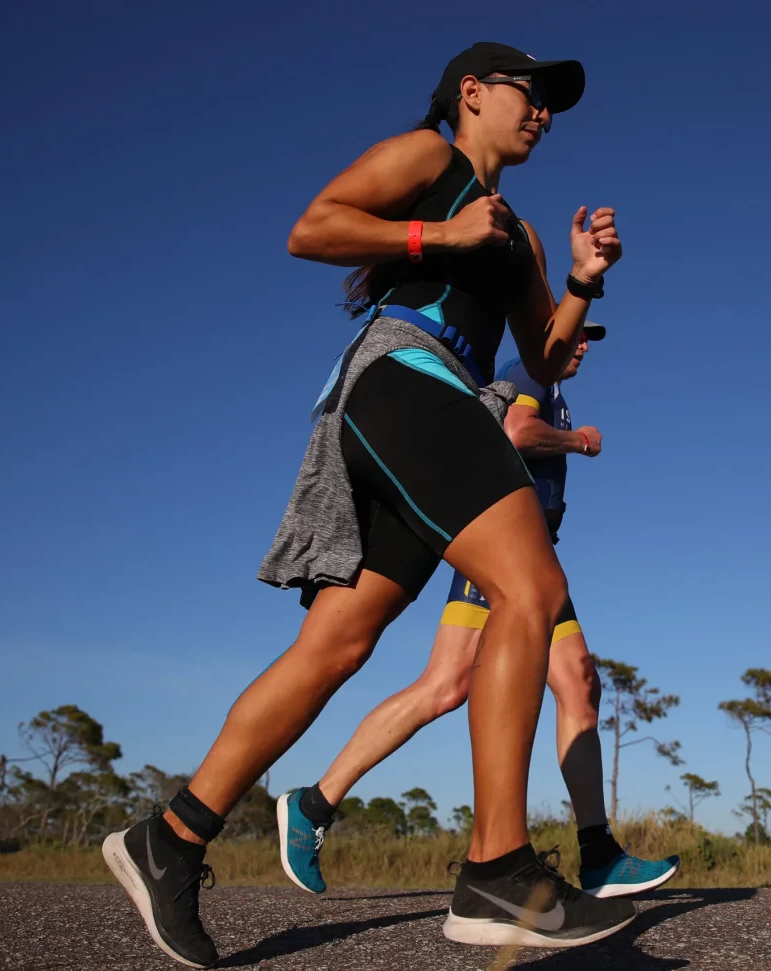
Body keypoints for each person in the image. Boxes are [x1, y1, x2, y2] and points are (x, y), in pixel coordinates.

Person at [102, 42, 635, 966]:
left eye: (554, 102)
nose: (544, 109)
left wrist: (584, 279)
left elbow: (543, 359)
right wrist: (440, 237)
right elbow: (313, 228)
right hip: (401, 377)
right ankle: (497, 869)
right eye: (530, 91)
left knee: (337, 644)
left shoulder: (524, 232)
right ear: (472, 93)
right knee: (531, 591)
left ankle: (172, 838)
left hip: (443, 397)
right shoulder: (430, 160)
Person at [275, 323, 680, 901]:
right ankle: (313, 805)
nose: (584, 345)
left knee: (563, 682)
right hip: (507, 556)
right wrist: (579, 442)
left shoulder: (549, 389)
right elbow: (513, 432)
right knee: (456, 686)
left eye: (590, 338)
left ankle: (598, 855)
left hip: (530, 556)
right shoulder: (527, 375)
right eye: (576, 336)